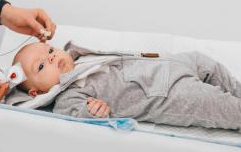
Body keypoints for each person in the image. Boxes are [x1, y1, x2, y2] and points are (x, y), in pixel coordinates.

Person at [12, 41, 241, 132]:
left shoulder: (81, 57)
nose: (51, 58)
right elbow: (75, 114)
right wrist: (94, 111)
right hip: (168, 93)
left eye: (50, 51)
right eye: (41, 66)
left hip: (172, 62)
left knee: (210, 66)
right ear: (37, 91)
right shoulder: (69, 94)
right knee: (221, 107)